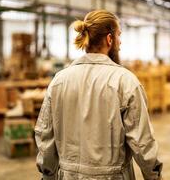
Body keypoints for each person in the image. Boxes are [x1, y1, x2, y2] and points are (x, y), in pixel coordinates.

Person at [35, 10, 163, 180]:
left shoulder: (59, 81)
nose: (120, 42)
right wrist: (153, 176)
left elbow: (45, 135)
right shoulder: (125, 81)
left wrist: (48, 174)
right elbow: (142, 141)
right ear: (109, 39)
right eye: (119, 36)